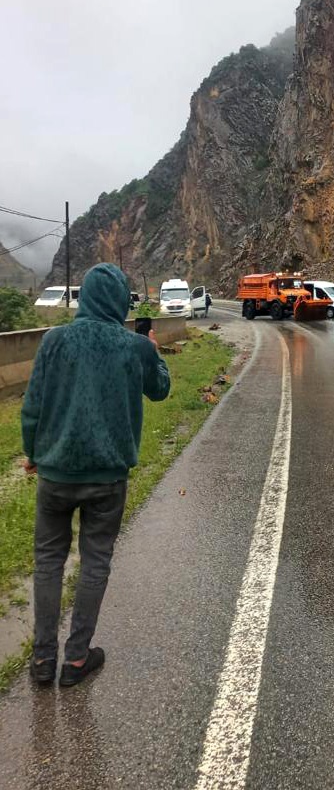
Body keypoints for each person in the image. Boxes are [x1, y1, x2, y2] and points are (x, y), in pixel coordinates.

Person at [22, 263, 171, 687]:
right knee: (96, 560)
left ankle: (41, 660)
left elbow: (32, 406)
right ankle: (75, 659)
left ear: (84, 297)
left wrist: (33, 453)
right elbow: (160, 390)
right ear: (122, 301)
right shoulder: (134, 346)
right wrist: (153, 351)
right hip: (107, 478)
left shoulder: (53, 340)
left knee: (48, 561)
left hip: (55, 473)